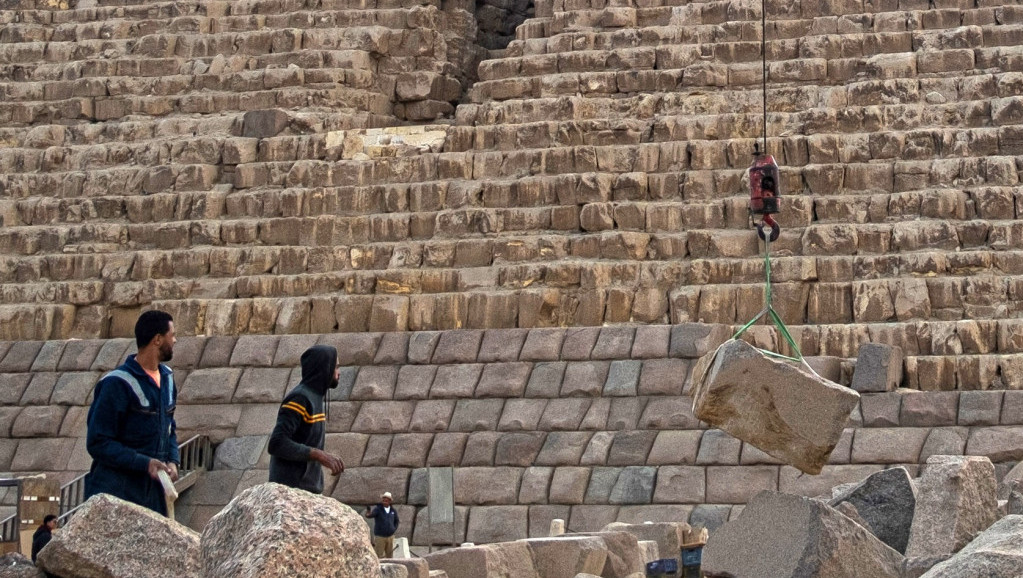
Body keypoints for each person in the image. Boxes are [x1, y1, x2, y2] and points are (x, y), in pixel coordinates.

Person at [84, 310, 179, 516]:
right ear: (157, 339)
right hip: (118, 493)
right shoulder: (116, 384)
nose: (175, 340)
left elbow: (169, 428)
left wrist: (173, 460)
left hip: (154, 496)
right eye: (172, 335)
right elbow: (98, 442)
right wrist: (144, 463)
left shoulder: (168, 379)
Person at [268, 345, 344, 494]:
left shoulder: (315, 397)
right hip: (289, 491)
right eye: (336, 367)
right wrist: (319, 455)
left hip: (309, 490)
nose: (339, 372)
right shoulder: (300, 398)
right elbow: (277, 443)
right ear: (324, 368)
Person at [365, 492, 400, 558]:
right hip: (380, 537)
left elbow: (397, 521)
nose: (384, 501)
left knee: (390, 556)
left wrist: (393, 529)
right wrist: (368, 511)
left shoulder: (393, 511)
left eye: (386, 500)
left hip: (390, 537)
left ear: (389, 501)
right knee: (379, 555)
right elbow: (370, 515)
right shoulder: (378, 509)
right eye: (383, 500)